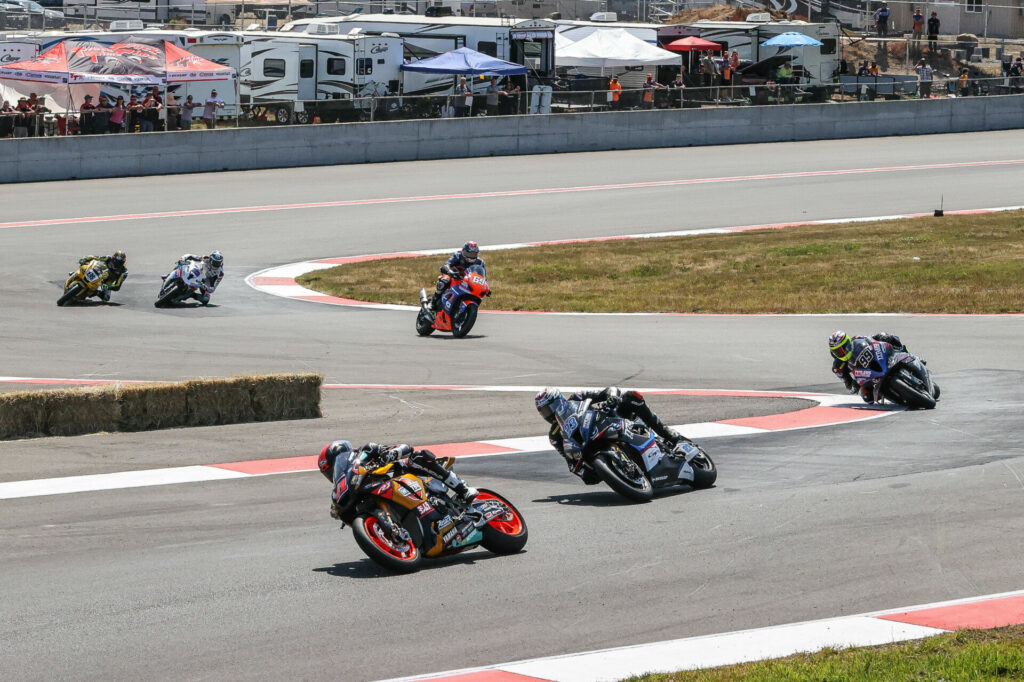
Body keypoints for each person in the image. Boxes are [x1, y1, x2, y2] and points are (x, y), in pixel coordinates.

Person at [534, 387, 689, 484]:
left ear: (559, 400)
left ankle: (667, 433)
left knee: (631, 397)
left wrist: (611, 397)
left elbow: (608, 390)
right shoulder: (554, 436)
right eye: (545, 411)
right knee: (588, 478)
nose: (549, 413)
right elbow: (568, 460)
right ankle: (623, 469)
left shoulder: (577, 397)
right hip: (589, 447)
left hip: (609, 422)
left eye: (550, 407)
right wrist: (578, 468)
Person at [318, 440, 478, 519]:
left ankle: (463, 489)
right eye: (330, 473)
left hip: (414, 479)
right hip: (391, 494)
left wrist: (390, 455)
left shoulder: (367, 453)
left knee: (417, 458)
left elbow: (406, 447)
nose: (335, 473)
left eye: (334, 467)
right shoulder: (349, 485)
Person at [828, 330, 908, 403]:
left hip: (878, 359)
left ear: (848, 341)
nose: (843, 352)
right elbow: (848, 384)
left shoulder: (857, 338)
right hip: (865, 377)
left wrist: (882, 337)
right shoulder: (838, 367)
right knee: (867, 397)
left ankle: (907, 355)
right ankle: (895, 396)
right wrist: (855, 385)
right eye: (838, 351)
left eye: (844, 347)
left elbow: (872, 339)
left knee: (886, 336)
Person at [429, 241, 484, 311]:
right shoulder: (457, 255)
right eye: (469, 253)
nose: (471, 256)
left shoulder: (480, 262)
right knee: (445, 280)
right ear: (464, 252)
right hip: (453, 277)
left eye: (473, 254)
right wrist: (450, 271)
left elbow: (482, 277)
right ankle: (433, 302)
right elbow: (446, 264)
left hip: (467, 280)